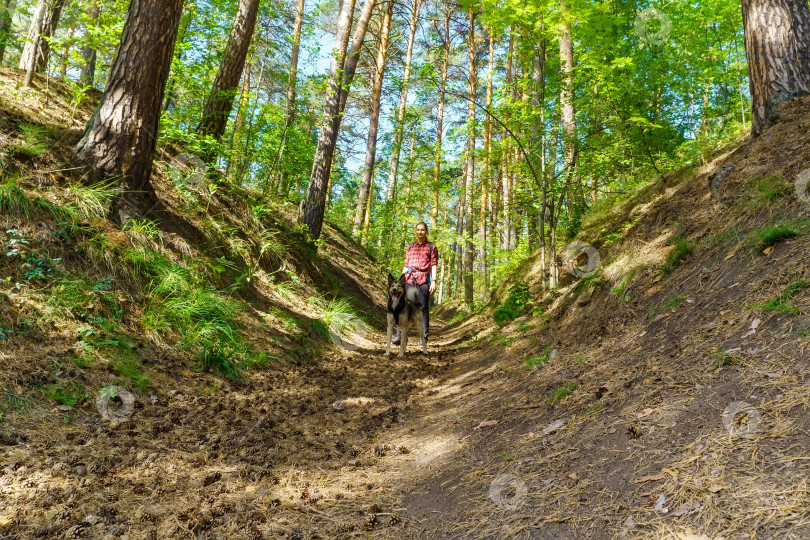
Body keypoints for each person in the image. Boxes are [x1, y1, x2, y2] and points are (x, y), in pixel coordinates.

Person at [392, 222, 438, 346]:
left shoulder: (431, 247)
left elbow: (434, 265)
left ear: (426, 231)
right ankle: (400, 336)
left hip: (423, 280)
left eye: (422, 230)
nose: (420, 232)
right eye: (418, 230)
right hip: (409, 279)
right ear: (415, 231)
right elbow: (406, 265)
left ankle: (423, 338)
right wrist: (400, 280)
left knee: (423, 309)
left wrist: (433, 281)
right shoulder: (410, 246)